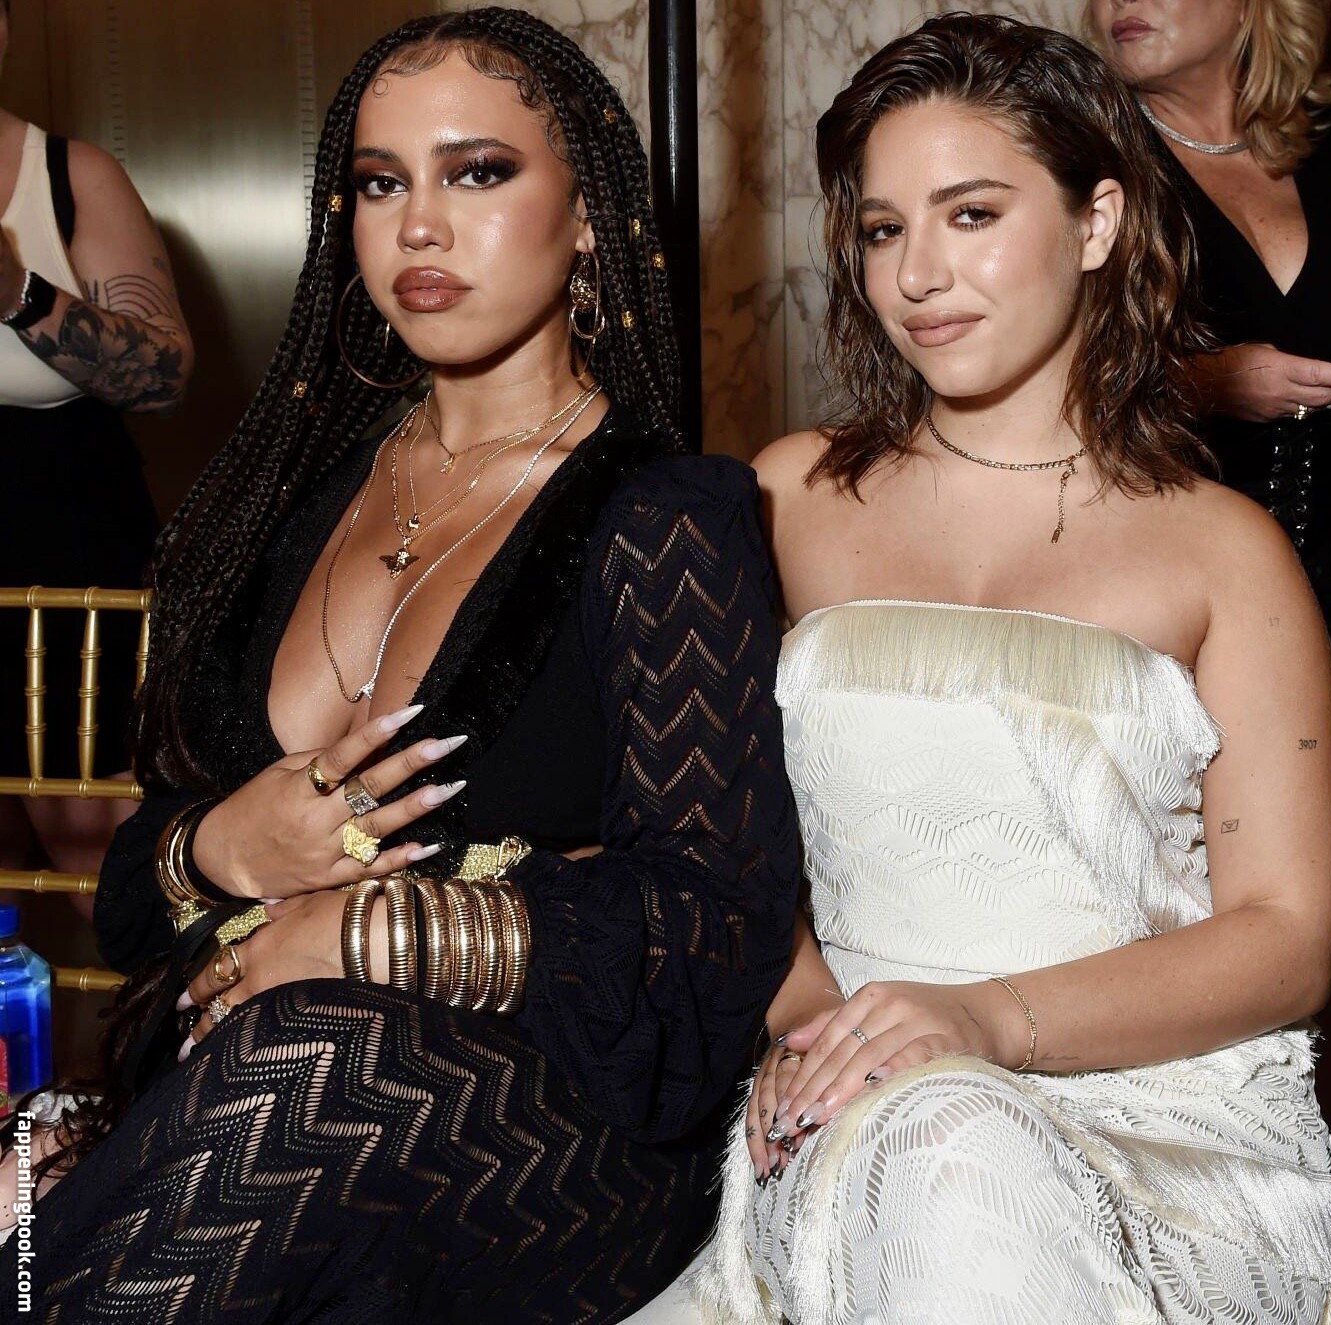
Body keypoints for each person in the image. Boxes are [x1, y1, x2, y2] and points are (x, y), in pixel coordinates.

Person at [0, 9, 798, 1320]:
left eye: (476, 172)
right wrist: (225, 846)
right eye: (381, 183)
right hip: (232, 1096)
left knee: (317, 1051)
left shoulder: (664, 515)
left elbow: (710, 933)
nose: (419, 225)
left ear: (587, 217)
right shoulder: (277, 502)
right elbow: (137, 898)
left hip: (555, 1144)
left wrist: (368, 929)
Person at [693, 15, 1331, 1324]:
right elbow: (706, 840)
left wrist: (983, 1021)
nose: (918, 274)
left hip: (1164, 1125)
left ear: (1097, 221)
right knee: (942, 1145)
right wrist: (818, 1021)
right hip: (852, 1095)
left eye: (972, 213)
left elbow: (1287, 941)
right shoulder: (781, 498)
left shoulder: (1223, 551)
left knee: (960, 1141)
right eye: (882, 228)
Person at [1087, 0, 1331, 986]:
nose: (1119, 2)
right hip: (1190, 613)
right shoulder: (1089, 156)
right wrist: (1204, 381)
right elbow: (1033, 381)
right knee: (1251, 926)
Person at [0, 0, 193, 877]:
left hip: (64, 559)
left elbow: (166, 375)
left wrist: (19, 293)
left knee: (98, 869)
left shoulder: (68, 175)